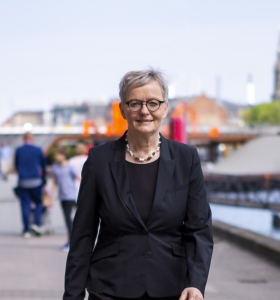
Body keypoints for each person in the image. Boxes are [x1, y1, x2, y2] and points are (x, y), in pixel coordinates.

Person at [64, 69, 213, 300]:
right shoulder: (99, 161)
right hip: (109, 288)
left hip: (172, 288)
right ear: (123, 109)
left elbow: (199, 230)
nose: (145, 111)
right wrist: (72, 296)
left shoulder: (187, 159)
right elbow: (83, 235)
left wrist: (196, 284)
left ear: (165, 108)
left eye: (153, 103)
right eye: (135, 103)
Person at [14, 132, 47, 238]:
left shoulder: (19, 150)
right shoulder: (38, 150)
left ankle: (26, 230)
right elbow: (43, 165)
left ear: (23, 139)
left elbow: (16, 165)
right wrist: (44, 179)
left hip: (23, 181)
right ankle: (36, 224)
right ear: (32, 138)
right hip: (36, 181)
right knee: (38, 202)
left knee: (25, 205)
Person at [50, 146, 81, 252]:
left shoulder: (70, 167)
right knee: (68, 220)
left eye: (57, 155)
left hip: (72, 196)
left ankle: (72, 243)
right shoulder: (55, 167)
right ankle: (72, 241)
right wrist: (51, 198)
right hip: (62, 197)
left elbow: (79, 178)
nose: (55, 157)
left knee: (71, 220)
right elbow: (54, 183)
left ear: (63, 155)